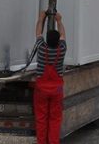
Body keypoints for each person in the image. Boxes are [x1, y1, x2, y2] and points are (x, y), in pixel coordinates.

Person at [34, 11, 67, 144]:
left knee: (41, 118)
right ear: (58, 40)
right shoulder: (62, 49)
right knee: (55, 119)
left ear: (46, 40)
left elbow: (38, 33)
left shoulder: (41, 48)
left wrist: (41, 19)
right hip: (56, 91)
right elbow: (63, 35)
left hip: (41, 90)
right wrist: (59, 21)